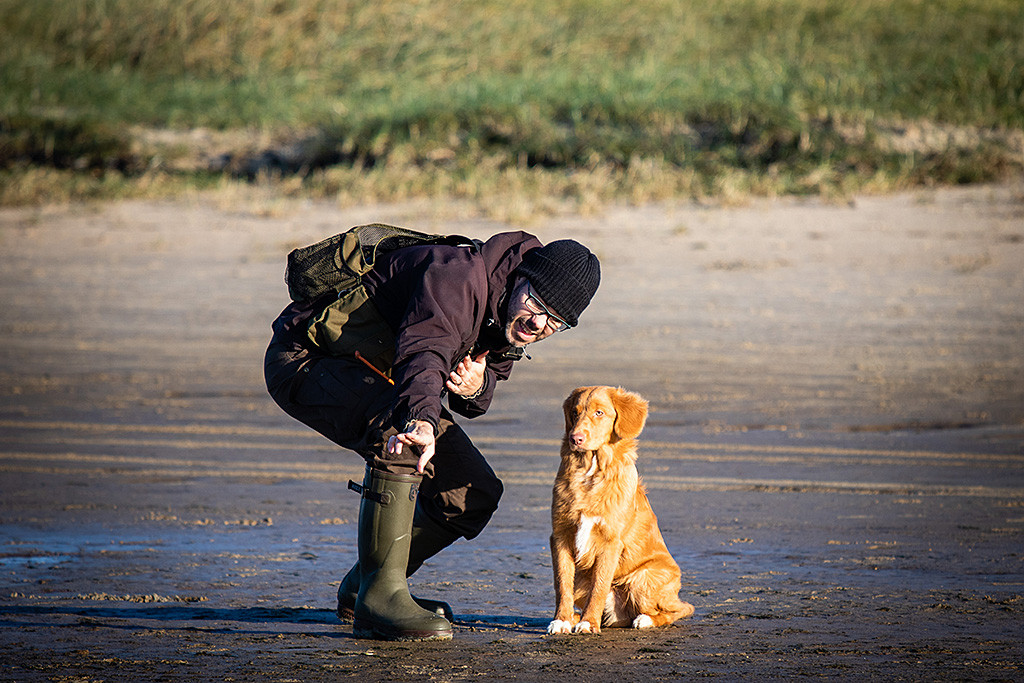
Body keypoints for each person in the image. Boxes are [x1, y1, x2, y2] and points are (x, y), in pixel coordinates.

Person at [263, 230, 601, 641]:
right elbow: (425, 351)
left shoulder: (511, 316)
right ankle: (380, 598)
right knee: (405, 440)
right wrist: (422, 420)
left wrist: (476, 385)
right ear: (522, 277)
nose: (538, 323)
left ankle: (363, 586)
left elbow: (478, 394)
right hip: (305, 359)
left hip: (387, 379)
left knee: (473, 494)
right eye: (537, 304)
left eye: (557, 321)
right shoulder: (458, 278)